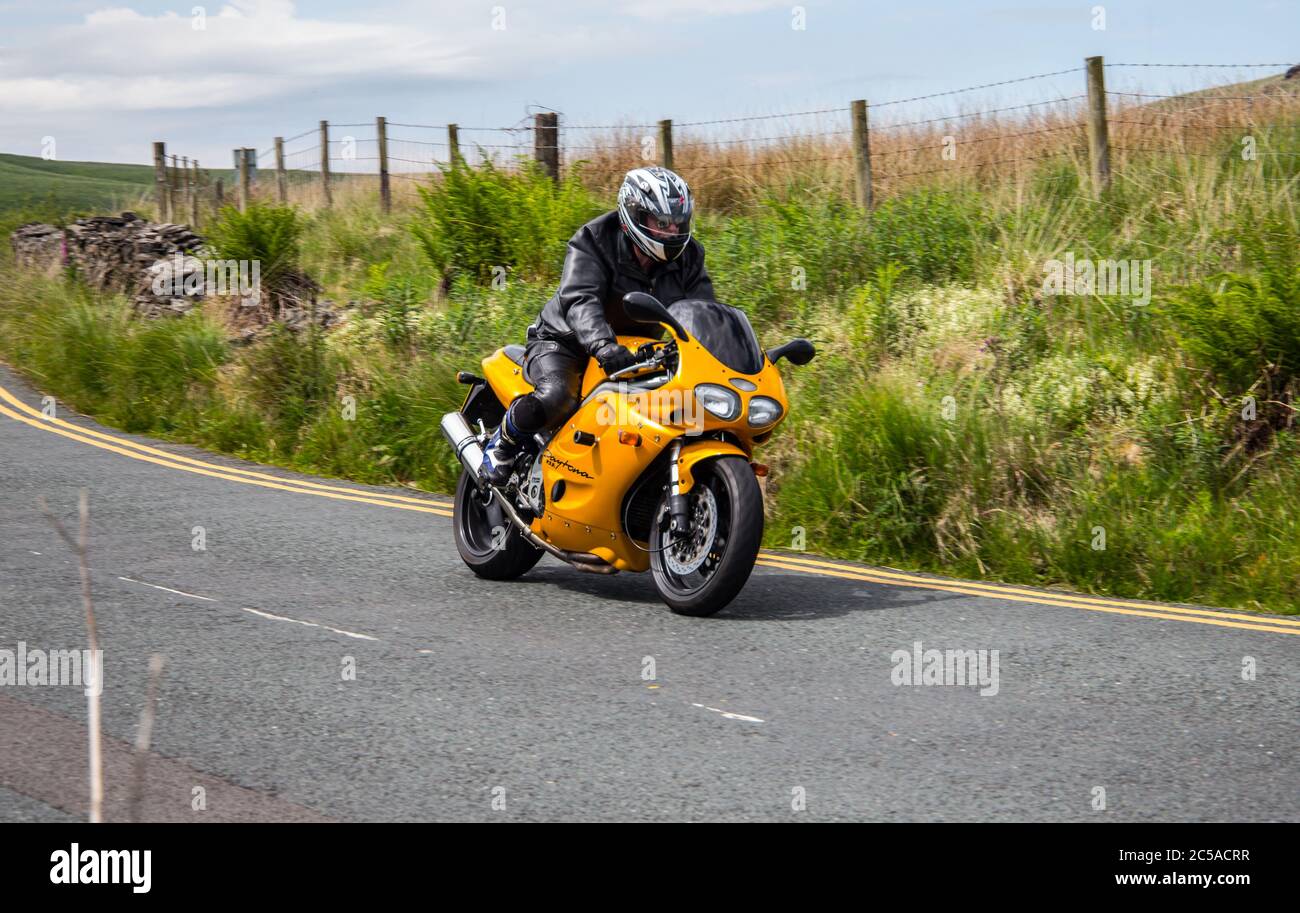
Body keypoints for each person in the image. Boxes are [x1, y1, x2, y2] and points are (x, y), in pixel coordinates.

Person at [481, 165, 714, 483]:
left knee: (685, 412)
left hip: (638, 352)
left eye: (678, 224)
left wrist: (721, 350)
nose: (671, 233)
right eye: (662, 223)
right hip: (565, 341)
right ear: (634, 214)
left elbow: (704, 311)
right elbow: (580, 300)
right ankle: (503, 444)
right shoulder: (593, 240)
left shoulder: (689, 257)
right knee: (557, 397)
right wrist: (604, 345)